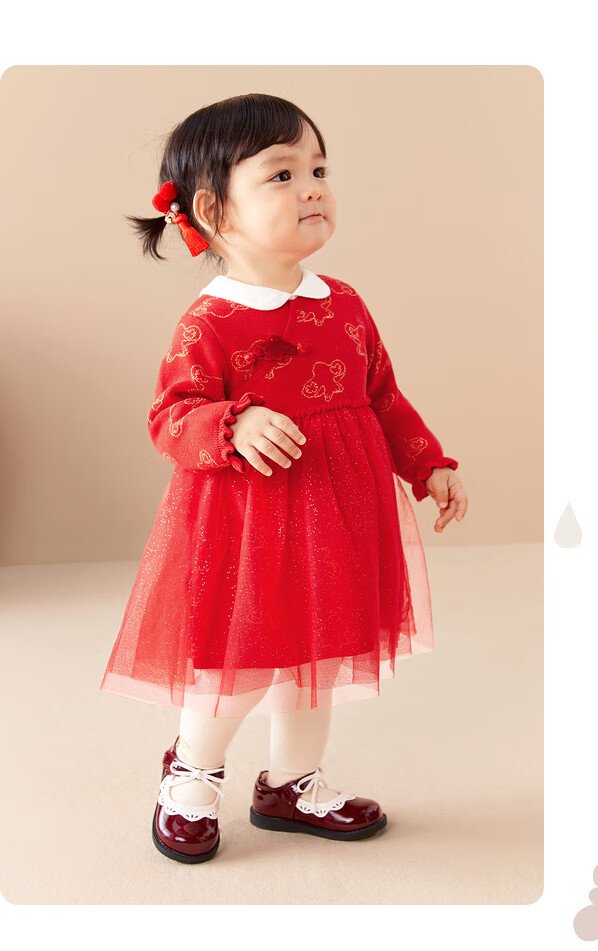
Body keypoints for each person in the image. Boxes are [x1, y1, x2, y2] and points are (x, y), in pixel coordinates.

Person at [99, 92, 468, 863]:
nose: (312, 188)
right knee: (240, 664)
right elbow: (171, 416)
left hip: (335, 518)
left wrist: (427, 462)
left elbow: (382, 396)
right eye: (282, 174)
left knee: (314, 662)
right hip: (248, 529)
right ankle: (192, 769)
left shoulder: (345, 305)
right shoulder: (211, 321)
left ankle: (292, 781)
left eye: (319, 170)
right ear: (214, 211)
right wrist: (231, 424)